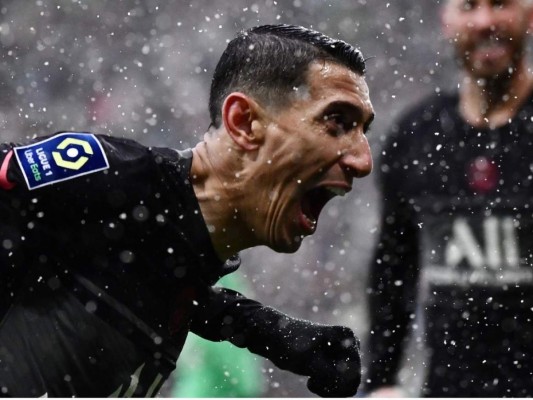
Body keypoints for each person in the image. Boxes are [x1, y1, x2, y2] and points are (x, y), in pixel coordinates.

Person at [0, 24, 375, 397]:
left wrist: (275, 333)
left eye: (363, 131)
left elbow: (153, 276)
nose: (363, 159)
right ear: (243, 122)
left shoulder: (177, 254)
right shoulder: (112, 177)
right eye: (337, 122)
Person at [365, 0, 533, 397]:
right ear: (446, 19)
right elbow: (393, 266)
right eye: (469, 6)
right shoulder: (417, 136)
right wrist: (381, 381)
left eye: (500, 4)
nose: (485, 21)